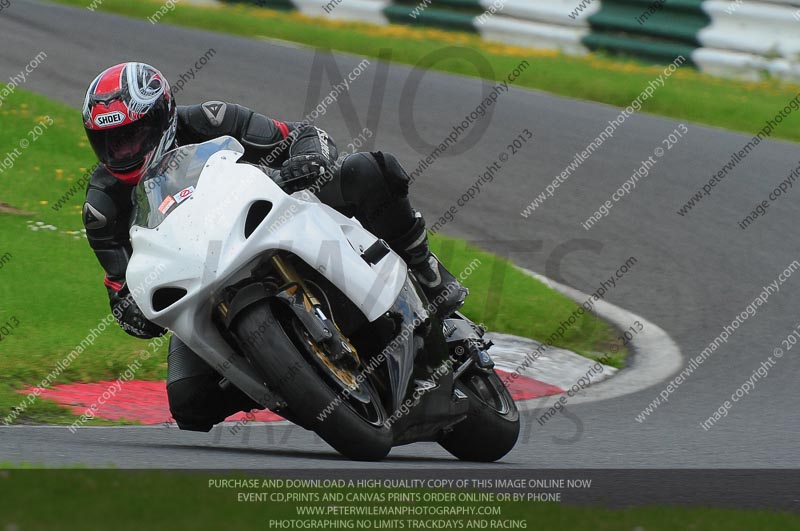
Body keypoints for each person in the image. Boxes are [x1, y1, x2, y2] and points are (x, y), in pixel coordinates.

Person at [81, 62, 468, 432]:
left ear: (162, 115)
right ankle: (290, 382)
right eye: (109, 142)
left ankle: (427, 275)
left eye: (132, 135)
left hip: (270, 214)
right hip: (198, 276)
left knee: (369, 171)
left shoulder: (211, 119)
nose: (122, 150)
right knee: (189, 403)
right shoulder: (102, 206)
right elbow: (121, 283)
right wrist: (131, 311)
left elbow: (299, 134)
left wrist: (307, 160)